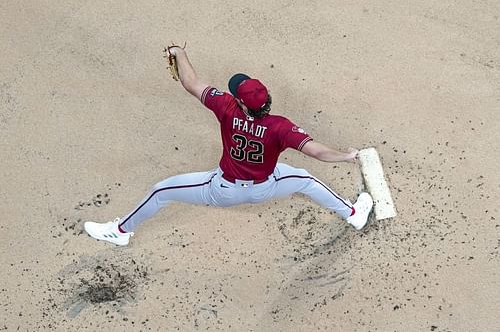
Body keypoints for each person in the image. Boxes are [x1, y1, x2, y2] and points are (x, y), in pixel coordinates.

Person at [84, 46, 373, 246]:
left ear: (241, 102)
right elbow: (317, 151)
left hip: (221, 190)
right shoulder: (280, 127)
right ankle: (352, 214)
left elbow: (191, 82)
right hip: (267, 188)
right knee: (306, 180)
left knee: (161, 191)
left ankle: (120, 231)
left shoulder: (226, 107)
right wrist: (346, 156)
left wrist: (180, 53)